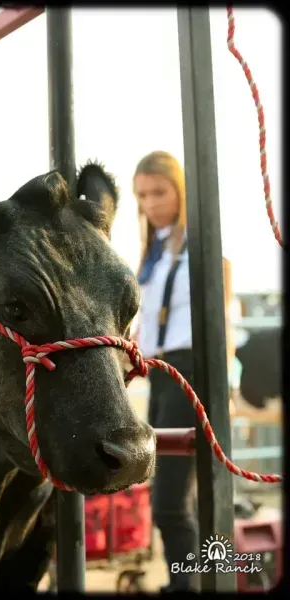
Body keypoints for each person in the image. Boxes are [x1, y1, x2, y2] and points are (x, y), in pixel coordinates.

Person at [131, 150, 235, 592]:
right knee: (170, 496)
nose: (150, 203)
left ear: (180, 191)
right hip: (158, 375)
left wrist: (225, 387)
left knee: (171, 502)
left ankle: (184, 587)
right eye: (142, 195)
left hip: (190, 371)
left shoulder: (200, 245)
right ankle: (186, 583)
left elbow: (222, 315)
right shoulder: (153, 251)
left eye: (159, 191)